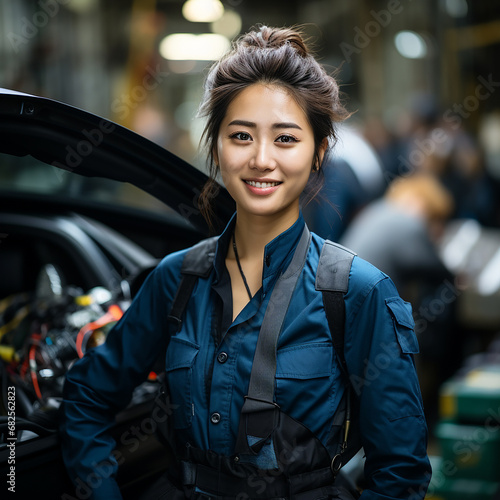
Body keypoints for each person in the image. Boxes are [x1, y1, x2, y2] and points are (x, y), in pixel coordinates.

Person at [60, 25, 431, 500]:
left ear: (319, 153)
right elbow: (88, 395)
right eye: (241, 136)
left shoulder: (358, 293)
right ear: (215, 146)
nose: (261, 159)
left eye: (285, 139)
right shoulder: (176, 279)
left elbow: (400, 475)